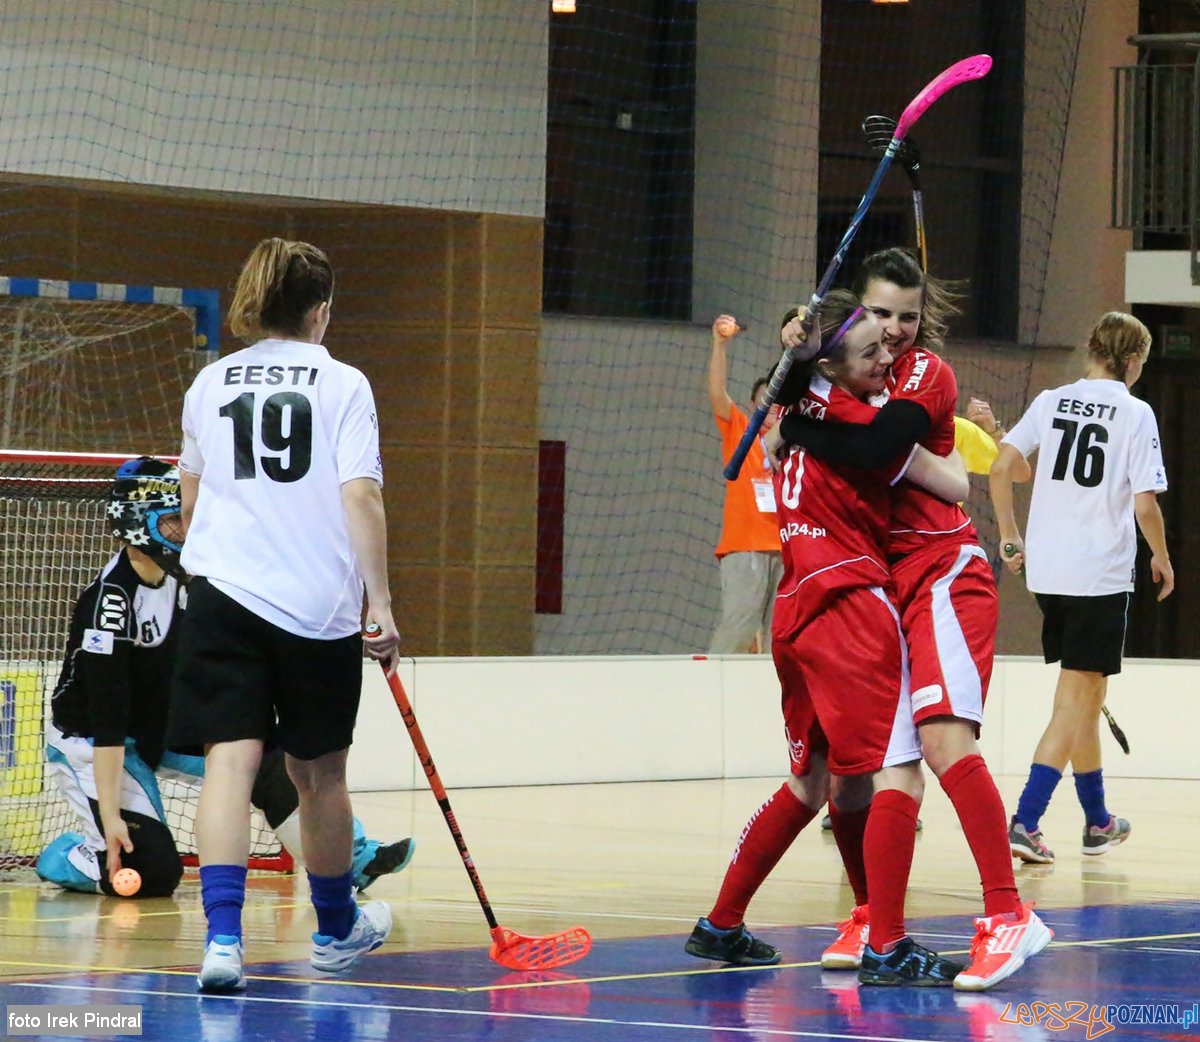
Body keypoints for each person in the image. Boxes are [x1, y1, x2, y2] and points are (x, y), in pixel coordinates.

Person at [775, 248, 1050, 992]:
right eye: (881, 314)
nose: (895, 329)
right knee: (874, 768)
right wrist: (794, 348)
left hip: (940, 572)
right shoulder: (849, 374)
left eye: (908, 316)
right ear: (854, 315)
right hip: (884, 589)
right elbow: (792, 393)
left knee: (942, 741)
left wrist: (796, 422)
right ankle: (875, 918)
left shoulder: (924, 374)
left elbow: (873, 448)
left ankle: (1009, 914)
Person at [686, 291, 971, 986]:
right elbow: (942, 477)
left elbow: (795, 387)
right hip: (850, 604)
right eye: (870, 352)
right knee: (899, 769)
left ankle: (722, 922)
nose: (887, 360)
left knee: (815, 780)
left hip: (795, 609)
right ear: (829, 366)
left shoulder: (796, 409)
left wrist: (796, 350)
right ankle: (888, 945)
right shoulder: (852, 416)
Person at [166, 238, 402, 992]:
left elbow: (191, 502)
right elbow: (360, 495)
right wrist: (380, 603)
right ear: (320, 310)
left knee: (228, 765)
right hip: (315, 608)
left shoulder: (209, 383)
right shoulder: (344, 384)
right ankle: (334, 932)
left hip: (221, 597)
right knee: (318, 774)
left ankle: (222, 943)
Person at [37, 457, 415, 899]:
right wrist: (111, 819)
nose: (186, 529)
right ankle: (70, 854)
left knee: (267, 758)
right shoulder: (110, 604)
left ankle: (351, 861)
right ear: (138, 524)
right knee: (152, 874)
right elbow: (107, 715)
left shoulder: (183, 580)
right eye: (173, 520)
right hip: (95, 743)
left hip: (157, 729)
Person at [990, 311, 1171, 864]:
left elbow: (1000, 467)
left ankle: (1097, 822)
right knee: (1074, 701)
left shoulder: (1051, 400)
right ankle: (1026, 820)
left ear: (1091, 350)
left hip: (1048, 573)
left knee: (1089, 696)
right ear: (1133, 361)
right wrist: (1162, 556)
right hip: (1099, 575)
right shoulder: (1135, 412)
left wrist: (1010, 537)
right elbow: (1145, 503)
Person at [707, 315, 783, 653]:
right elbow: (716, 393)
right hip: (745, 547)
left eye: (777, 399)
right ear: (754, 405)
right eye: (765, 398)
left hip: (787, 551)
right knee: (739, 629)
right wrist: (720, 345)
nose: (772, 405)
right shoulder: (741, 431)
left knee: (780, 639)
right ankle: (712, 681)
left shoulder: (795, 444)